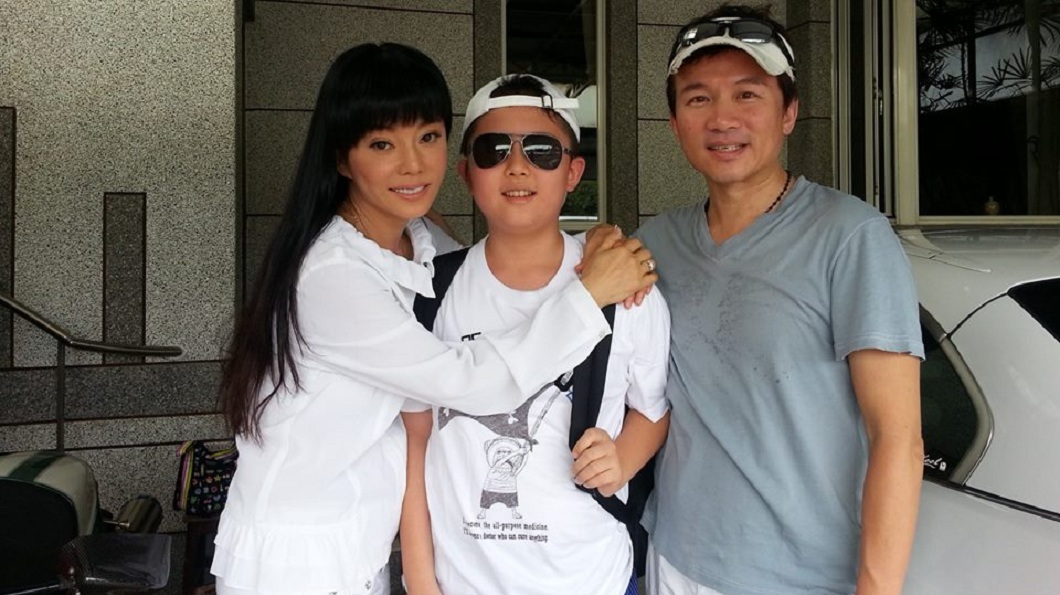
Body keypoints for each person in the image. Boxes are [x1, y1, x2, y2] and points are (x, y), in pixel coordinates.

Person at [211, 43, 657, 595]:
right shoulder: (333, 275)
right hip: (295, 559)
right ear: (342, 158)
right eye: (382, 144)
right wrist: (591, 295)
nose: (413, 164)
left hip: (361, 548)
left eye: (427, 136)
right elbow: (470, 382)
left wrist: (596, 240)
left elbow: (500, 253)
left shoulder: (418, 244)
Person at [635, 6, 924, 595]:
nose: (723, 119)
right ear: (674, 123)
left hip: (800, 577)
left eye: (748, 94)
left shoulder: (850, 236)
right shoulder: (655, 244)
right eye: (698, 98)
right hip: (676, 558)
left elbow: (898, 437)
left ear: (789, 113)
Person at [400, 74, 671, 595]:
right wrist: (420, 579)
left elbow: (653, 409)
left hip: (590, 578)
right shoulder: (429, 292)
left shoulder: (626, 288)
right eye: (493, 150)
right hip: (462, 582)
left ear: (573, 172)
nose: (518, 166)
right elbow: (414, 445)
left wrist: (622, 460)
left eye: (542, 150)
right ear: (466, 173)